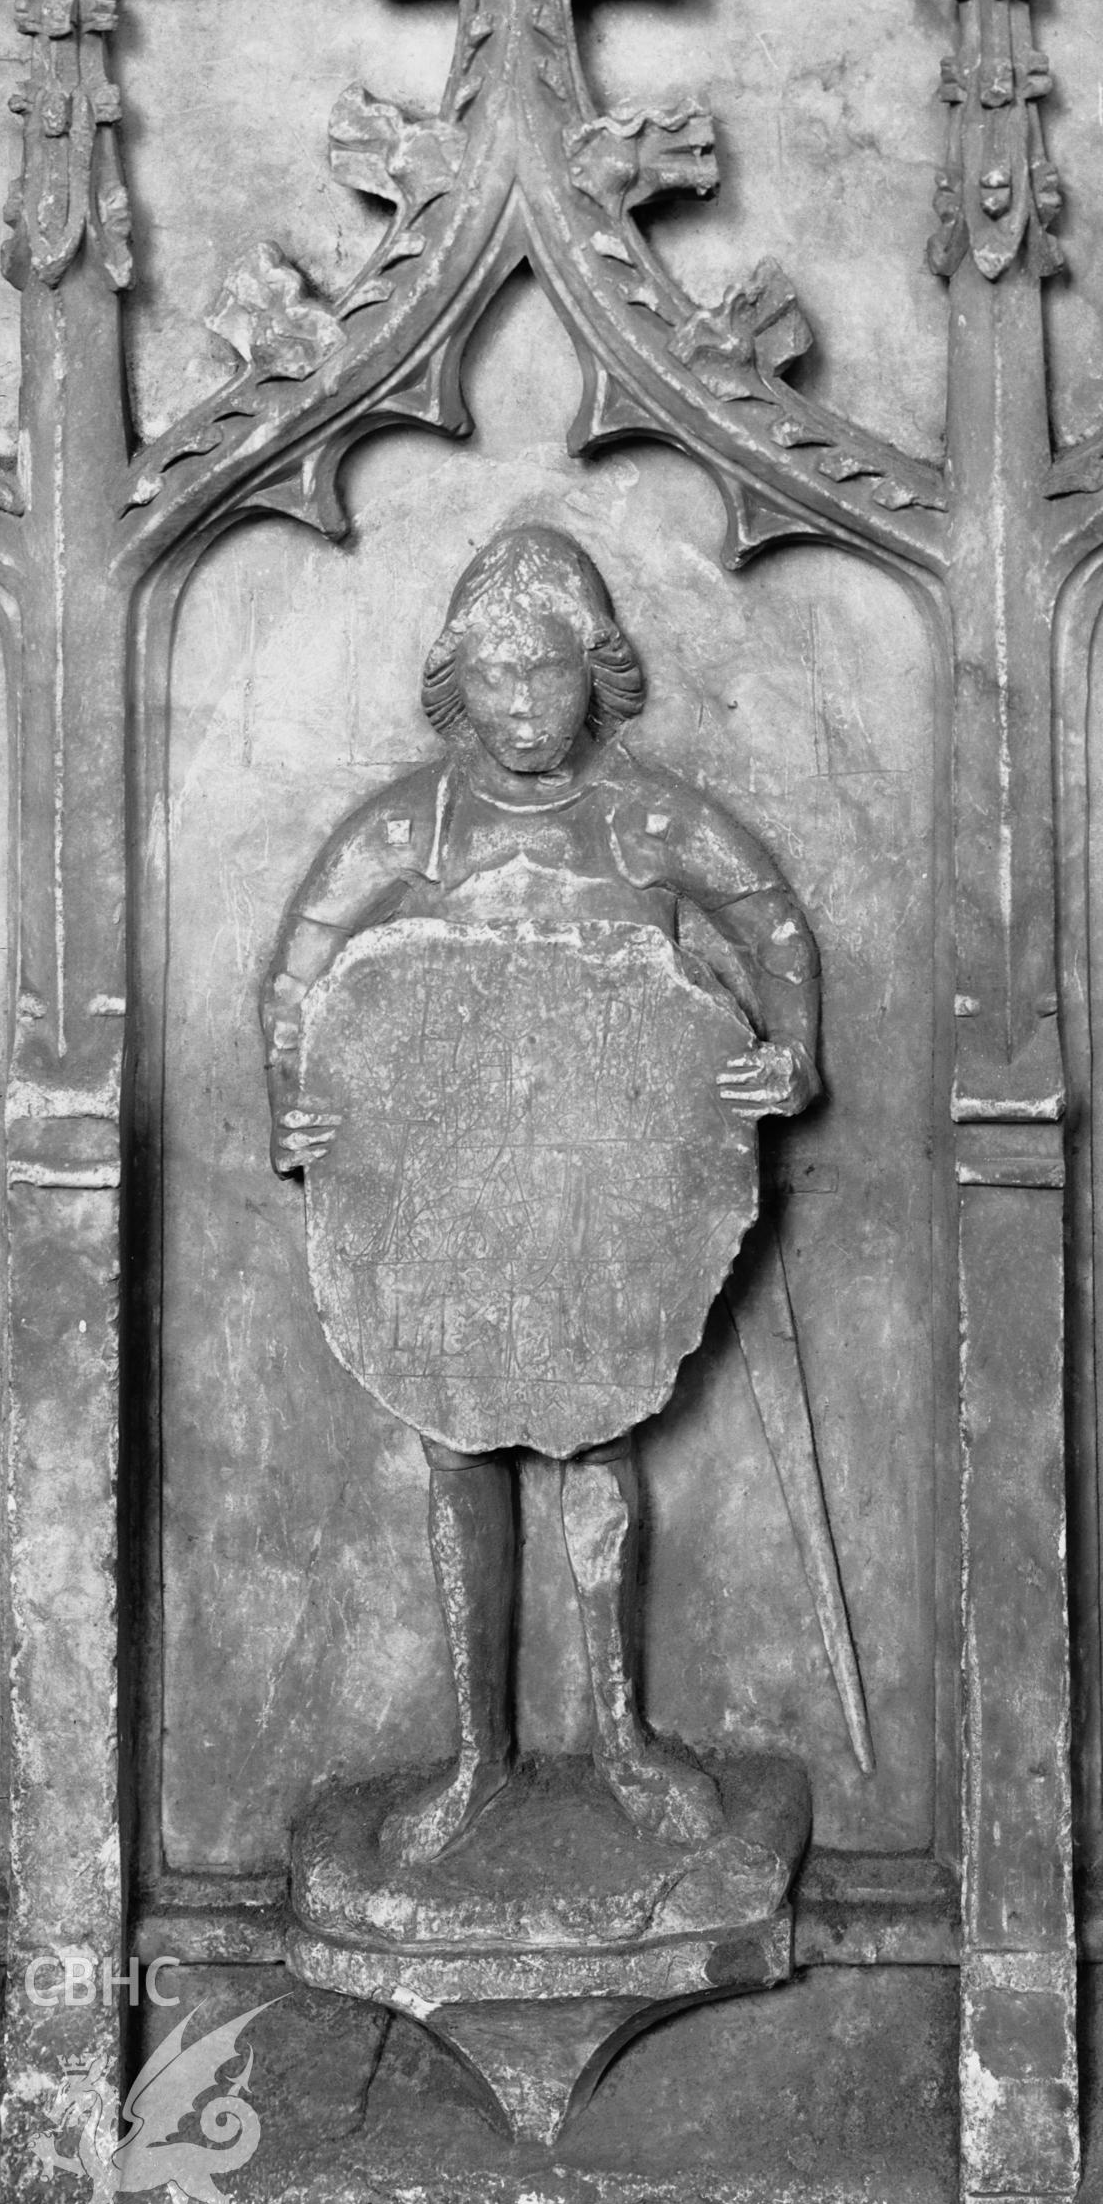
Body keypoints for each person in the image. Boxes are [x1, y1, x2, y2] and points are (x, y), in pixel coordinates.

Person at [263, 523, 820, 1866]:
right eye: (500, 678)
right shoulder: (406, 828)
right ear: (461, 681)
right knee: (454, 1447)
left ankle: (621, 1738)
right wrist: (295, 1099)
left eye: (549, 675)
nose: (525, 706)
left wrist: (787, 1055)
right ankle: (475, 1757)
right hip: (443, 1200)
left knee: (593, 1441)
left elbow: (774, 924)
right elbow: (299, 971)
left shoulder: (649, 818)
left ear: (594, 674)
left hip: (599, 1192)